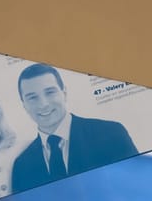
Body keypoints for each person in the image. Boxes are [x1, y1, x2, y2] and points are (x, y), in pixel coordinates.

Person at [11, 63, 138, 193]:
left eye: (50, 92)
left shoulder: (111, 134)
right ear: (24, 105)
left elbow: (139, 189)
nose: (43, 104)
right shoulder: (21, 166)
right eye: (32, 98)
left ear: (64, 93)